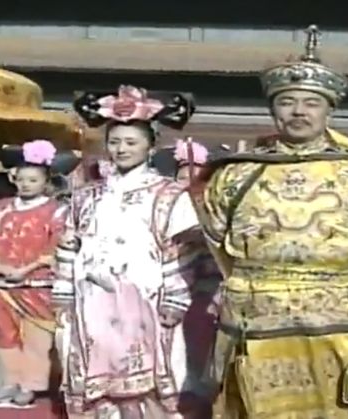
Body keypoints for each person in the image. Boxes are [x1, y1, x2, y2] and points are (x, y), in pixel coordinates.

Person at [196, 25, 348, 418]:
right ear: (273, 110)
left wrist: (329, 276)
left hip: (338, 311)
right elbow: (216, 235)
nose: (298, 112)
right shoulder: (237, 173)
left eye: (311, 103)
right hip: (257, 308)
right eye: (287, 102)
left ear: (329, 110)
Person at [61, 85, 220, 418]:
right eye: (115, 142)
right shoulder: (86, 196)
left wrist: (176, 299)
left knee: (152, 368)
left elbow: (182, 250)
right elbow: (69, 244)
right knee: (96, 364)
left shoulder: (169, 194)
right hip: (92, 296)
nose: (121, 149)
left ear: (151, 146)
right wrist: (63, 291)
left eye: (131, 142)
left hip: (147, 295)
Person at [0, 140, 69, 407]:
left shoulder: (56, 210)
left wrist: (27, 269)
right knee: (6, 335)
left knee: (37, 336)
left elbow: (57, 245)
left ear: (46, 181)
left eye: (33, 180)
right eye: (22, 179)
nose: (26, 185)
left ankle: (31, 384)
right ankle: (10, 382)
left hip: (38, 283)